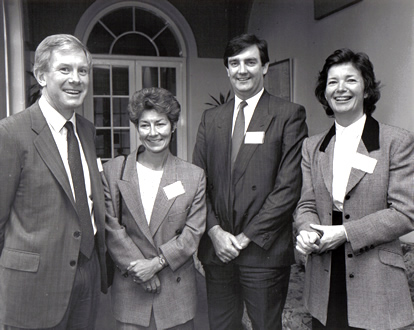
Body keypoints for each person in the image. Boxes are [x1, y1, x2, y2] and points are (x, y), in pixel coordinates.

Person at [193, 33, 308, 330]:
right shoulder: (211, 118)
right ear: (227, 70)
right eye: (234, 63)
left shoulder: (288, 115)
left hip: (263, 251)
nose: (242, 70)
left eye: (250, 62)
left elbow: (288, 188)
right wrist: (215, 232)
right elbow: (198, 183)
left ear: (265, 67)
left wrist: (244, 238)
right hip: (218, 252)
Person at [294, 48, 414, 330]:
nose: (340, 88)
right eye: (332, 82)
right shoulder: (312, 146)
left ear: (366, 88)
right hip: (323, 281)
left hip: (377, 281)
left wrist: (346, 233)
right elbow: (306, 204)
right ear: (324, 92)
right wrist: (305, 229)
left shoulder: (396, 141)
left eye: (351, 80)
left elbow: (405, 212)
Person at [0, 34, 108, 329]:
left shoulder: (86, 130)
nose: (76, 79)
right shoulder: (11, 133)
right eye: (64, 69)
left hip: (86, 274)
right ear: (41, 75)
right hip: (34, 286)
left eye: (82, 71)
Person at [103, 87, 206, 330]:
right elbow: (112, 228)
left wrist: (155, 264)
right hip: (132, 289)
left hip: (176, 293)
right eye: (144, 125)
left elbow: (192, 233)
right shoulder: (114, 171)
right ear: (136, 127)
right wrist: (141, 270)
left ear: (173, 125)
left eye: (160, 124)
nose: (153, 133)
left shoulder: (193, 176)